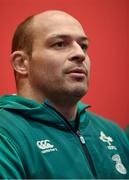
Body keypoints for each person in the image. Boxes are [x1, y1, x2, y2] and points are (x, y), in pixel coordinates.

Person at [0, 10, 129, 179]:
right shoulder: (5, 132)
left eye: (83, 46)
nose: (80, 54)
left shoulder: (112, 132)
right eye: (60, 44)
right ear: (21, 63)